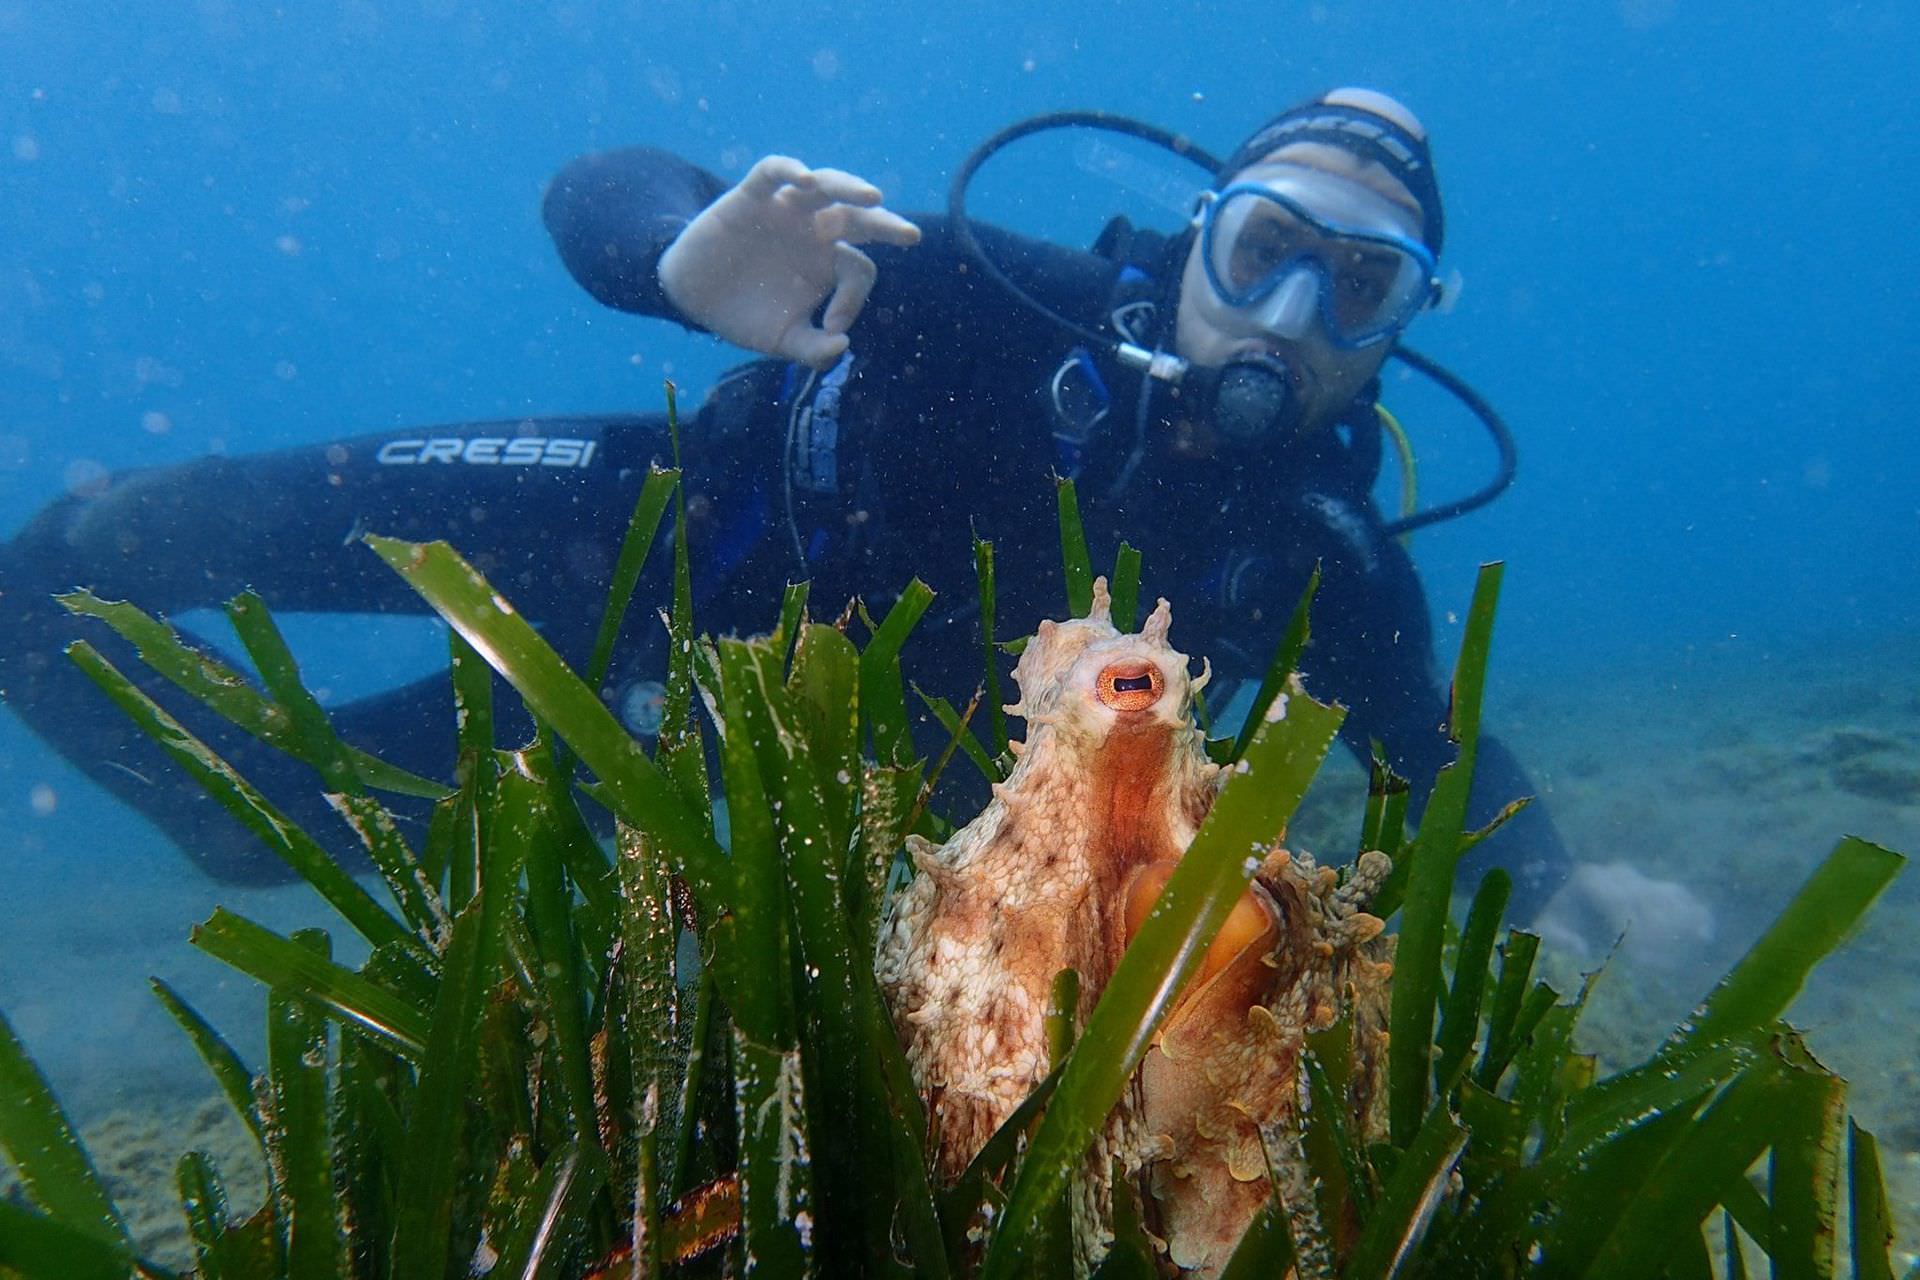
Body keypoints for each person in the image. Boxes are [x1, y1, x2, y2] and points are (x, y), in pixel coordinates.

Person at [0, 88, 1710, 954]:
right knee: (100, 547)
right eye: (1265, 248)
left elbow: (1440, 753)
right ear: (1196, 238)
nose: (1284, 320)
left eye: (1357, 286)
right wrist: (674, 258)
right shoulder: (997, 297)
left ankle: (263, 814)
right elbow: (604, 183)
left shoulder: (1324, 553)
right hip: (660, 527)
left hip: (728, 739)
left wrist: (1565, 892)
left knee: (297, 815)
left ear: (1399, 328)